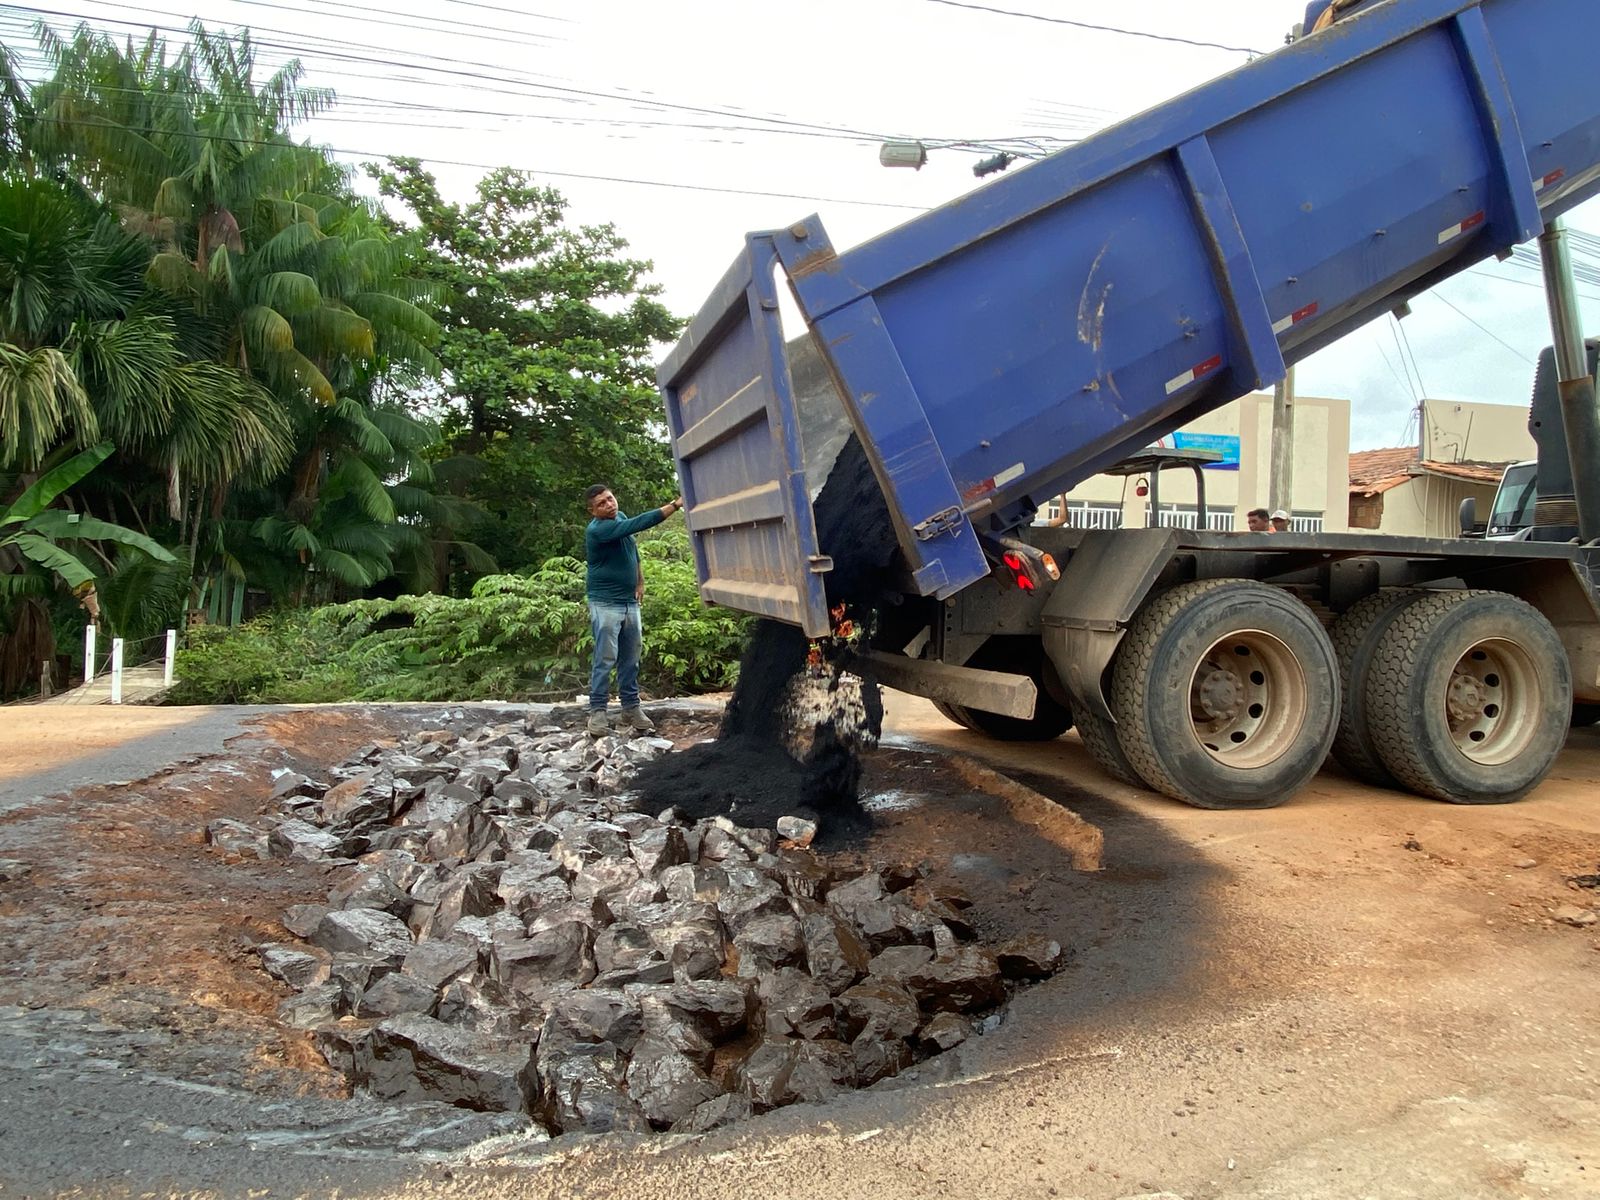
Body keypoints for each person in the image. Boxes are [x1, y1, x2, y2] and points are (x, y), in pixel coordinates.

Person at [583, 483, 683, 735]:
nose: (609, 504)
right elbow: (638, 524)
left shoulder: (620, 518)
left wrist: (640, 581)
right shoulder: (599, 529)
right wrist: (675, 505)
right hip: (605, 602)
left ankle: (631, 707)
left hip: (629, 601)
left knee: (631, 657)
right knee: (605, 658)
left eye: (610, 498)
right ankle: (597, 713)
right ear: (592, 511)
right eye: (601, 504)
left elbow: (632, 549)